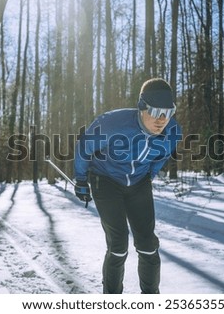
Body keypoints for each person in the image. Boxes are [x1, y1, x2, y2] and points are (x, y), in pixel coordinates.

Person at [73, 78, 182, 294]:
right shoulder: (112, 123)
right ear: (142, 107)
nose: (162, 119)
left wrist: (149, 176)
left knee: (148, 245)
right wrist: (81, 180)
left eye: (168, 112)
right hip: (106, 180)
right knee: (118, 246)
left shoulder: (173, 131)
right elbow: (85, 147)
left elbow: (161, 157)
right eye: (156, 111)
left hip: (139, 182)